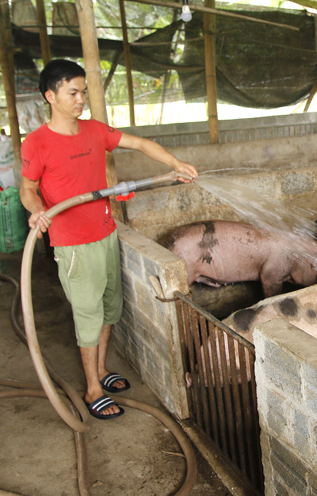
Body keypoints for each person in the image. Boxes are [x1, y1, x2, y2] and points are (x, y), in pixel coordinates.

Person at [20, 59, 198, 419]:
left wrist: (175, 163)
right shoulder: (37, 144)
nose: (80, 99)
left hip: (104, 235)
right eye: (73, 92)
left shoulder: (94, 131)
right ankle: (91, 389)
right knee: (87, 314)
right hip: (72, 244)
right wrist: (37, 210)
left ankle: (100, 370)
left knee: (108, 308)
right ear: (50, 96)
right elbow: (27, 189)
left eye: (83, 92)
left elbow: (140, 143)